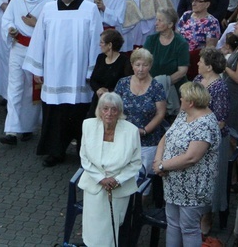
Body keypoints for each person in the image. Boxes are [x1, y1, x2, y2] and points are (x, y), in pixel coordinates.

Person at [24, 0, 102, 167]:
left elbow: (96, 42)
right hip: (54, 74)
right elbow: (39, 39)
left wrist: (92, 71)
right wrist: (37, 69)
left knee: (79, 113)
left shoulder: (89, 9)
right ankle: (55, 151)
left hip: (79, 74)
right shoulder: (49, 9)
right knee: (55, 113)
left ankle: (84, 152)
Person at [154, 82, 220, 247]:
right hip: (173, 184)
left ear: (191, 102)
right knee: (173, 224)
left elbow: (191, 157)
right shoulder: (184, 113)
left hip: (192, 189)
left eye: (182, 97)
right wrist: (158, 160)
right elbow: (167, 136)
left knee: (189, 228)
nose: (180, 99)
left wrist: (163, 166)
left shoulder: (205, 124)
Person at [78, 92, 142, 247]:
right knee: (93, 229)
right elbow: (84, 157)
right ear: (99, 110)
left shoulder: (132, 131)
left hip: (119, 187)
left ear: (119, 112)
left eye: (114, 109)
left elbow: (135, 163)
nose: (109, 113)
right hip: (95, 184)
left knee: (114, 229)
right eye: (105, 109)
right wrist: (101, 179)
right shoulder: (88, 125)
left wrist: (117, 180)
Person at [0, 0, 54, 145]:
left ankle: (28, 127)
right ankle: (11, 130)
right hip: (18, 48)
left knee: (31, 92)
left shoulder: (48, 3)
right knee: (14, 88)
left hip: (36, 51)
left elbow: (52, 28)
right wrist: (11, 29)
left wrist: (35, 23)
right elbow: (6, 19)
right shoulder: (16, 0)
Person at [114, 48, 167, 183]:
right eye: (137, 65)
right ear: (132, 65)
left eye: (145, 65)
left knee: (142, 181)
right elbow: (115, 108)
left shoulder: (156, 86)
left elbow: (160, 113)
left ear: (150, 66)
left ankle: (139, 202)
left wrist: (144, 131)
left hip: (148, 140)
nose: (141, 69)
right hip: (124, 138)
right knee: (121, 175)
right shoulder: (123, 83)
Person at [192, 47, 230, 234]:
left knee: (210, 182)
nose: (197, 63)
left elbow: (220, 121)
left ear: (208, 66)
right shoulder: (198, 80)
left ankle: (207, 220)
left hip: (212, 142)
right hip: (193, 136)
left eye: (200, 61)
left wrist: (202, 135)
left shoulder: (219, 87)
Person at [143, 8, 189, 88]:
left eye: (160, 21)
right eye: (156, 20)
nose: (155, 23)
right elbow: (143, 63)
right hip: (150, 84)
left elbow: (182, 71)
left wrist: (163, 83)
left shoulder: (181, 43)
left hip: (175, 86)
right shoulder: (150, 40)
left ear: (170, 24)